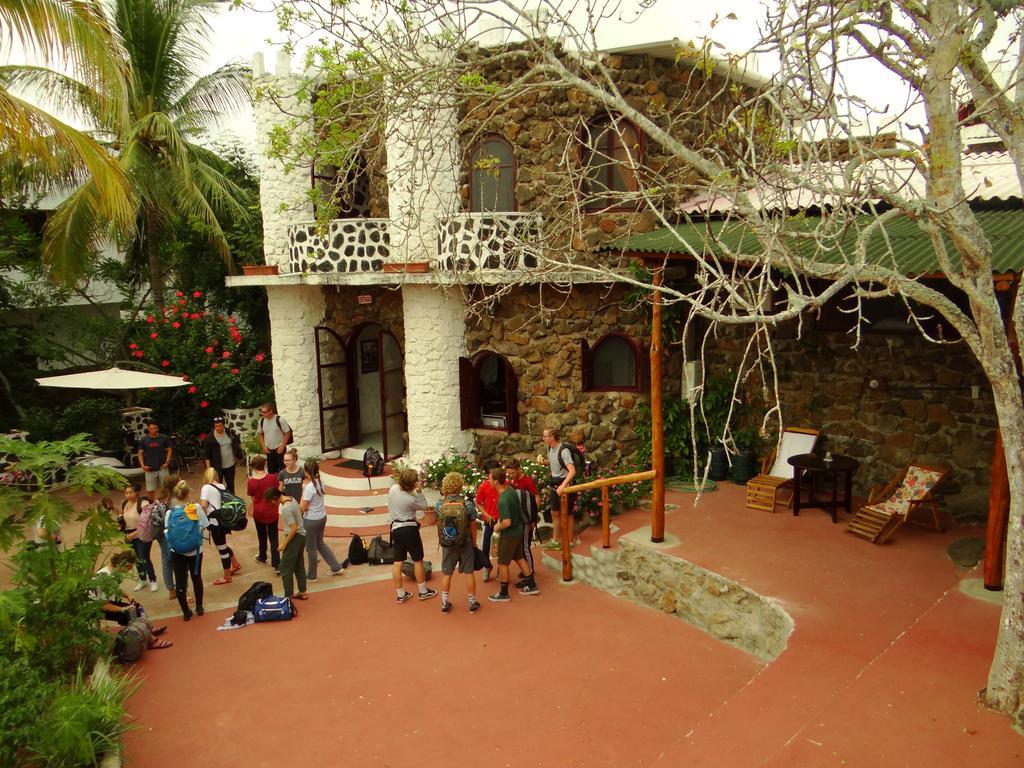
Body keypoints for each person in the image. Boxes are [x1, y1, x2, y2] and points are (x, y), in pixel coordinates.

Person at [488, 467, 539, 601]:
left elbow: (507, 522)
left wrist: (496, 527)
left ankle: (504, 593)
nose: (488, 481)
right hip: (519, 530)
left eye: (490, 479)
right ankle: (531, 584)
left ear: (496, 482)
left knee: (502, 563)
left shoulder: (503, 500)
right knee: (519, 556)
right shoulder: (510, 490)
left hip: (510, 534)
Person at [434, 472, 480, 614]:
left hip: (448, 542)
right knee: (469, 572)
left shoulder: (440, 505)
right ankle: (472, 603)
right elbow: (473, 525)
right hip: (464, 542)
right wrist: (474, 542)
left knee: (447, 573)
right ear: (460, 486)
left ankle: (444, 603)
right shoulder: (467, 504)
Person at [389, 468, 437, 605]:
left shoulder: (393, 489)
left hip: (396, 529)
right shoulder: (410, 499)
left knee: (397, 563)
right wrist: (420, 492)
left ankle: (400, 594)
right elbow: (424, 506)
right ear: (413, 484)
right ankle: (423, 591)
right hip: (409, 529)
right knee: (418, 560)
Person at [165, 479, 208, 621]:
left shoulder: (170, 513)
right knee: (196, 577)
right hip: (195, 550)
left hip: (177, 551)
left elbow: (167, 533)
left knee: (181, 580)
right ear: (188, 493)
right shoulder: (195, 507)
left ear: (175, 496)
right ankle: (199, 607)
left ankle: (185, 611)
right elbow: (204, 524)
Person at [300, 458, 344, 581]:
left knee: (312, 547)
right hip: (321, 516)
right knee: (320, 543)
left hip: (311, 520)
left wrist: (303, 489)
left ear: (307, 471)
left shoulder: (308, 487)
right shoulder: (320, 482)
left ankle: (312, 575)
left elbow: (303, 507)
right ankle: (336, 567)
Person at [199, 467, 241, 586]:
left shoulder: (206, 488)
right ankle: (235, 564)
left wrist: (205, 517)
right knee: (222, 544)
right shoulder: (221, 486)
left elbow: (203, 504)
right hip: (224, 520)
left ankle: (227, 576)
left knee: (221, 548)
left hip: (215, 522)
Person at [265, 487, 308, 601]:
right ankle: (302, 591)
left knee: (285, 567)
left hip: (294, 537)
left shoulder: (285, 508)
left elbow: (293, 528)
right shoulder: (291, 499)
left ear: (275, 498)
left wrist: (284, 543)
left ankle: (288, 595)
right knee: (299, 565)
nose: (271, 504)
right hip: (302, 536)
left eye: (271, 501)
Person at [541, 427, 577, 551]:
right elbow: (553, 463)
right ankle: (555, 540)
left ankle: (570, 541)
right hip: (554, 485)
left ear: (552, 437)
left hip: (565, 485)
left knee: (568, 514)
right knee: (554, 513)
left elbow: (572, 471)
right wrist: (543, 462)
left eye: (545, 436)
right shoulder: (550, 448)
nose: (543, 438)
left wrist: (563, 485)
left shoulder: (564, 451)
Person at [506, 458, 540, 580]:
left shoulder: (527, 481)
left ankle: (529, 572)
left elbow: (536, 497)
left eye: (512, 473)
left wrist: (533, 518)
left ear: (519, 469)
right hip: (519, 518)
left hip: (527, 518)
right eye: (508, 473)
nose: (510, 476)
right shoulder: (513, 481)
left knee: (525, 546)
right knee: (520, 545)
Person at [121, 483, 158, 593]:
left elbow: (147, 523)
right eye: (126, 493)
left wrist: (134, 533)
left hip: (143, 534)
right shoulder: (124, 504)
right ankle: (142, 580)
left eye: (131, 492)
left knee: (144, 557)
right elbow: (124, 517)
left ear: (137, 492)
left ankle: (153, 580)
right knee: (136, 558)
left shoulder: (143, 504)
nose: (128, 495)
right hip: (129, 534)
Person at [147, 475, 179, 601]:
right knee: (177, 560)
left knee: (166, 561)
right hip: (172, 534)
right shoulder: (173, 501)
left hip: (161, 534)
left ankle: (170, 589)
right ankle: (179, 588)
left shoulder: (160, 500)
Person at [247, 456, 280, 570]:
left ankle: (262, 556)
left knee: (261, 536)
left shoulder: (251, 482)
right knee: (274, 538)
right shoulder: (272, 477)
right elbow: (277, 492)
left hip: (259, 512)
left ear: (254, 467)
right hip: (272, 510)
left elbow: (253, 498)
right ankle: (276, 564)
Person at [474, 459, 501, 582]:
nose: (491, 476)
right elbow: (478, 503)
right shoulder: (484, 486)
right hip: (489, 521)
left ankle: (502, 569)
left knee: (502, 546)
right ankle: (487, 566)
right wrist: (486, 514)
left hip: (502, 521)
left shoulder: (505, 485)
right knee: (485, 547)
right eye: (489, 474)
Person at [203, 416, 242, 495]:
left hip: (230, 465)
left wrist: (237, 456)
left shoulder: (229, 432)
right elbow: (206, 455)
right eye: (216, 426)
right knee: (217, 486)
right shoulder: (210, 438)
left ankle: (232, 501)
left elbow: (237, 444)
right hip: (217, 467)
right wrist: (209, 469)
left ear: (223, 425)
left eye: (220, 425)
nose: (218, 427)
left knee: (231, 485)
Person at [137, 420, 172, 494]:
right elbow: (140, 453)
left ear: (158, 428)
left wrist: (167, 461)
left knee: (166, 488)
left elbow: (169, 450)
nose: (153, 430)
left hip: (163, 466)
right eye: (151, 428)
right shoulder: (144, 439)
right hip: (149, 468)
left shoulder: (164, 438)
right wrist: (142, 465)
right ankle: (151, 503)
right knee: (150, 490)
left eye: (155, 428)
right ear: (148, 429)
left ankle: (167, 503)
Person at [258, 402, 292, 474]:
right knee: (272, 471)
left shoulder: (280, 420)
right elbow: (260, 434)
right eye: (261, 412)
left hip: (280, 449)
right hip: (269, 450)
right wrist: (263, 446)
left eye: (264, 412)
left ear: (271, 411)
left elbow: (288, 432)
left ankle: (283, 484)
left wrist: (282, 445)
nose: (262, 413)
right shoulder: (261, 421)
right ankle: (274, 485)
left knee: (283, 470)